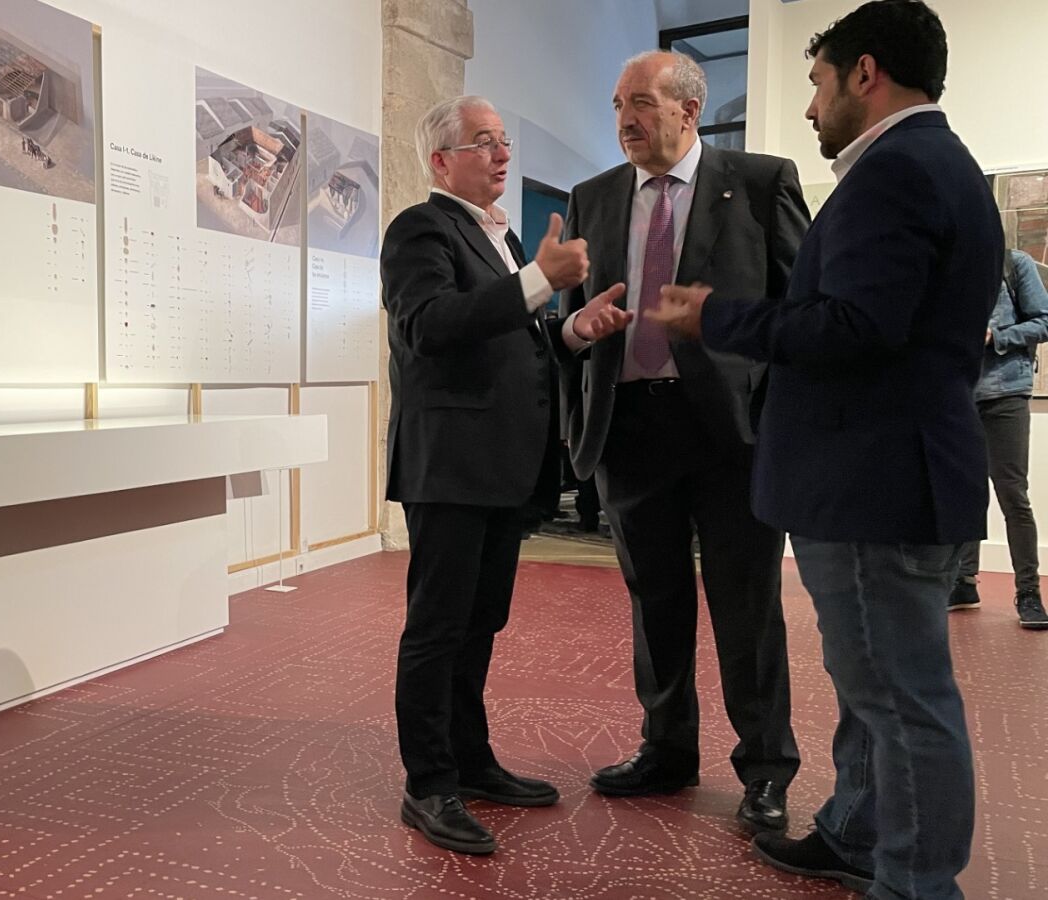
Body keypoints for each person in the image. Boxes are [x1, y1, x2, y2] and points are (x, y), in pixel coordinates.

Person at [649, 2, 1003, 896]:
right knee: (874, 683)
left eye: (816, 83)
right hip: (894, 472)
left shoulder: (897, 172)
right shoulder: (938, 164)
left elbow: (854, 327)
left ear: (865, 73)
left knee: (899, 699)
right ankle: (856, 831)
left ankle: (916, 882)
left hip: (872, 479)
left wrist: (717, 316)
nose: (810, 107)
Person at [557, 50, 808, 833]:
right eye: (617, 104)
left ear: (688, 110)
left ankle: (765, 766)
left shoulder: (759, 183)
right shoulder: (594, 197)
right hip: (631, 428)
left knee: (746, 604)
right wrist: (577, 329)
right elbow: (572, 315)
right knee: (654, 600)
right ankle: (665, 749)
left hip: (732, 433)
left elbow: (801, 312)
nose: (625, 119)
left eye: (640, 102)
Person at [381, 95, 631, 856]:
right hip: (450, 465)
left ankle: (470, 759)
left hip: (498, 465)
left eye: (502, 141)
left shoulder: (501, 236)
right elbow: (430, 326)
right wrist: (537, 281)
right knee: (438, 628)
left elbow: (509, 343)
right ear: (440, 161)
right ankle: (429, 783)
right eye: (483, 141)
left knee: (480, 621)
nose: (501, 154)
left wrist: (573, 330)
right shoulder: (420, 229)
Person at [949, 248, 1048, 629]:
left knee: (1012, 495)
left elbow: (1044, 320)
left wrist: (997, 335)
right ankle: (963, 582)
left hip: (1006, 393)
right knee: (964, 494)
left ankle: (1029, 593)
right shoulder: (950, 266)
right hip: (958, 394)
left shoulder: (1014, 264)